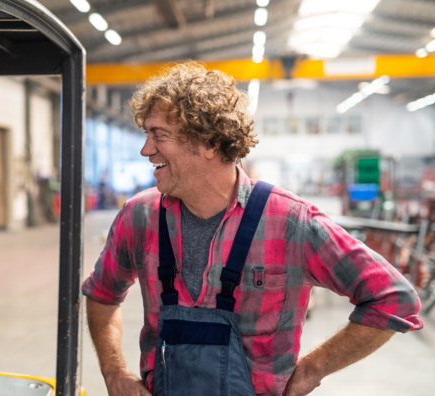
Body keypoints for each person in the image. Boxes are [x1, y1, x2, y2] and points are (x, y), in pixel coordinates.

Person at [82, 62, 423, 396]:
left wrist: (312, 370)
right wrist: (114, 372)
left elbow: (393, 297)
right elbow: (101, 293)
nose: (146, 149)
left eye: (160, 136)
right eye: (147, 135)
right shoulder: (139, 217)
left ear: (210, 143)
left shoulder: (289, 222)